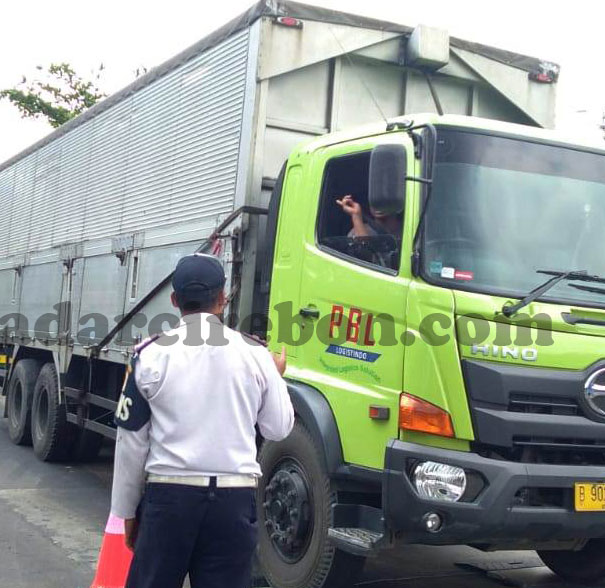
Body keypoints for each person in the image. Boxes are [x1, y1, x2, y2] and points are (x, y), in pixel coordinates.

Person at [110, 253, 294, 588]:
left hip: (168, 501)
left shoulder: (149, 355)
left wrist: (127, 512)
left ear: (174, 300)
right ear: (223, 299)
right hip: (233, 503)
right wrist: (276, 378)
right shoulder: (256, 355)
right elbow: (278, 427)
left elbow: (131, 443)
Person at [335, 194, 403, 267]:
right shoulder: (358, 231)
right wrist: (356, 215)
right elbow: (364, 258)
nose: (378, 205)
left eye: (384, 201)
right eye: (374, 201)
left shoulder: (409, 229)